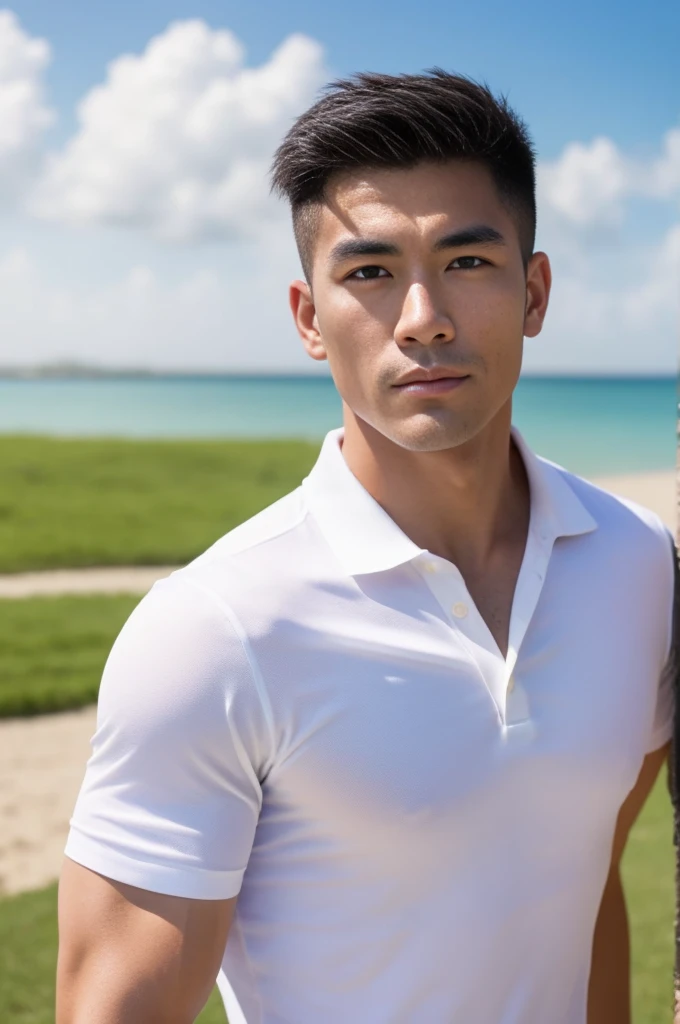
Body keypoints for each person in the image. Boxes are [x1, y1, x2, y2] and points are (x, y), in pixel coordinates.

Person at [57, 71, 675, 1024]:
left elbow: (581, 888)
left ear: (535, 290)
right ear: (310, 318)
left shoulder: (639, 567)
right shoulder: (213, 633)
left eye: (468, 262)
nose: (423, 315)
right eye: (370, 272)